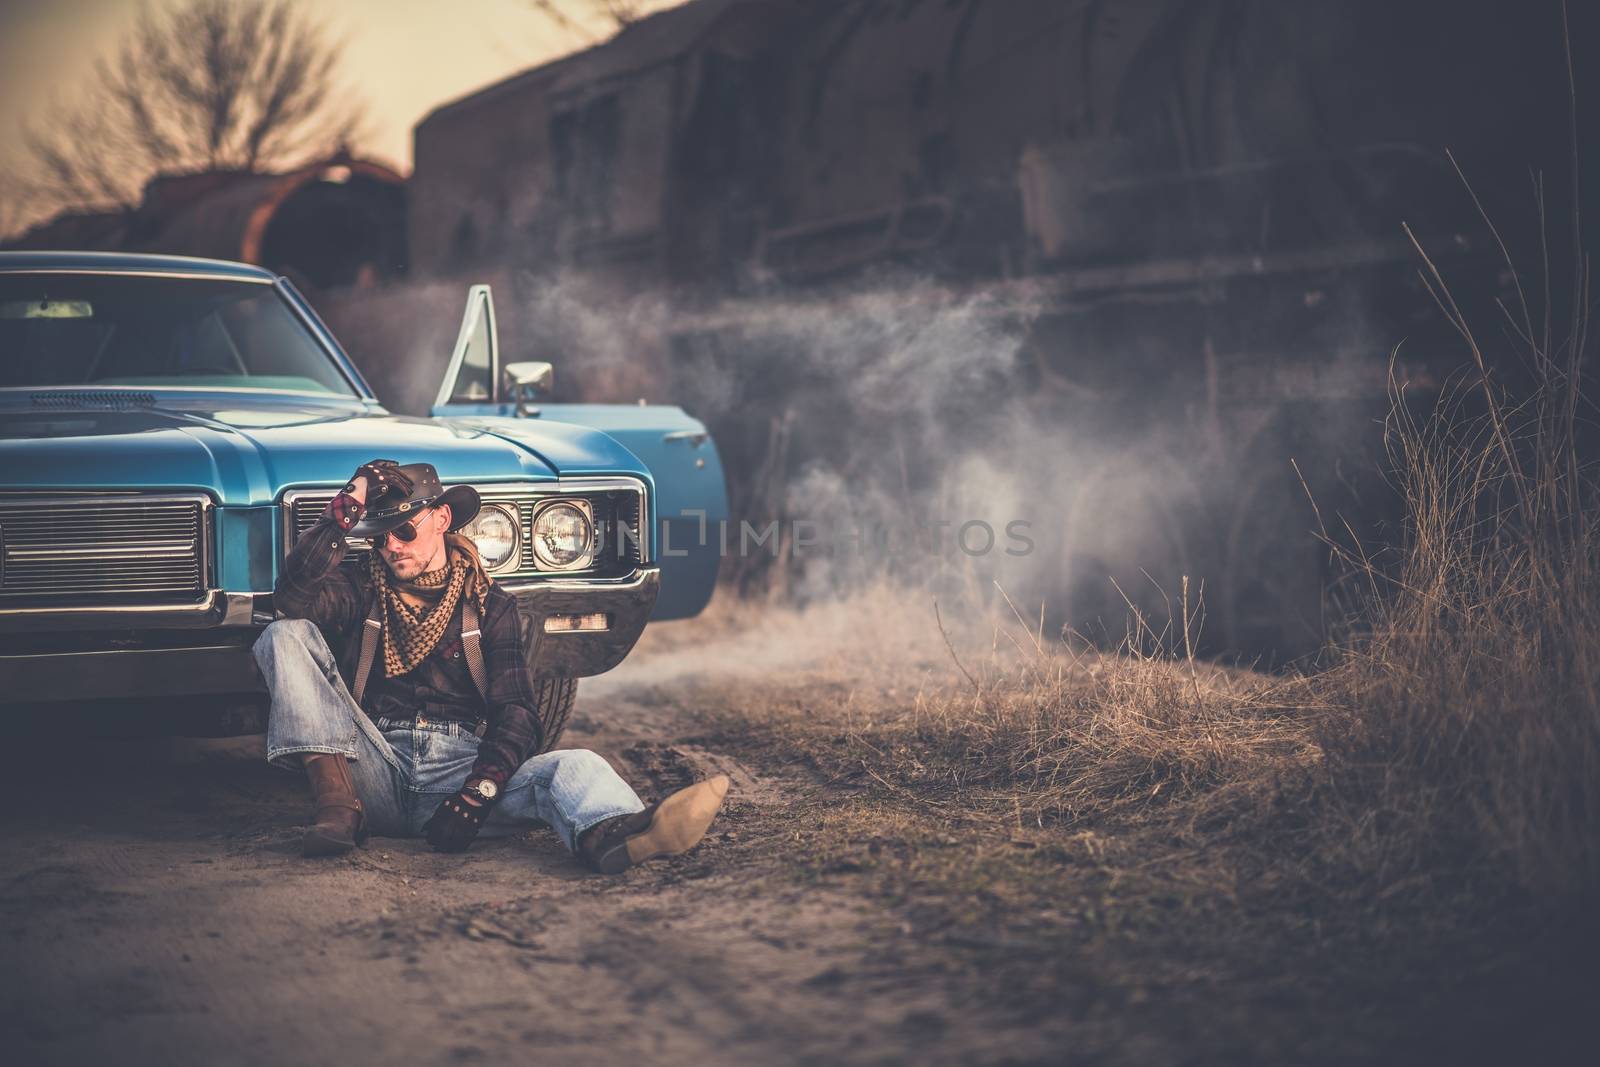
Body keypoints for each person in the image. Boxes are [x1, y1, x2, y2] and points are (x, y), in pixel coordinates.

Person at [253, 459, 728, 869]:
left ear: (440, 519)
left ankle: (613, 835)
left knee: (574, 765)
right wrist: (347, 506)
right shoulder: (360, 586)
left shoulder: (489, 605)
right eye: (377, 538)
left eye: (402, 530)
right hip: (372, 768)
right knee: (284, 634)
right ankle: (335, 806)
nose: (390, 547)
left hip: (457, 770)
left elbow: (518, 714)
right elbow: (292, 598)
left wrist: (477, 793)